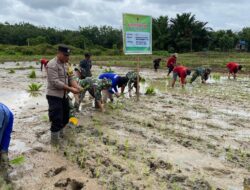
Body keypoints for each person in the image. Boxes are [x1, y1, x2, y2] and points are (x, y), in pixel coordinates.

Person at [46, 45, 81, 145]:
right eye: (66, 55)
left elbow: (71, 78)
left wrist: (77, 86)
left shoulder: (67, 65)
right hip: (54, 96)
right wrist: (71, 89)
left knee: (66, 117)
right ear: (59, 53)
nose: (67, 57)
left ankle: (60, 135)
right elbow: (55, 82)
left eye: (68, 55)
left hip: (64, 95)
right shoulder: (52, 65)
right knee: (56, 118)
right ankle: (54, 144)